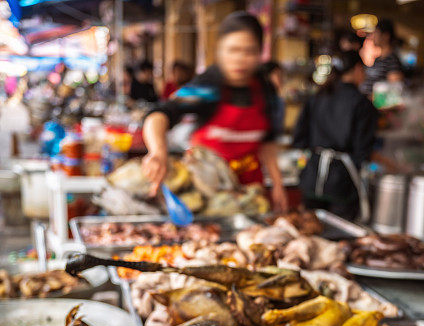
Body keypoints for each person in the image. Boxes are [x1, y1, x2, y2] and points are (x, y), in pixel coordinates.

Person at [142, 11, 288, 212]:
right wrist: (158, 152)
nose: (240, 59)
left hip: (250, 193)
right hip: (208, 194)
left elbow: (268, 141)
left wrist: (278, 185)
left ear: (260, 53)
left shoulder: (264, 88)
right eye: (233, 50)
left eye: (250, 51)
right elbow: (158, 115)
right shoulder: (208, 86)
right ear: (220, 51)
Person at [292, 50, 376, 221]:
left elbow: (299, 138)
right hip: (342, 182)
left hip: (312, 176)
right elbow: (363, 150)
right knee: (339, 237)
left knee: (309, 232)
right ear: (358, 69)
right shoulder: (361, 103)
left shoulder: (318, 96)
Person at [360, 18, 403, 96]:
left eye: (376, 33)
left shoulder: (392, 60)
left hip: (376, 106)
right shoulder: (378, 59)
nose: (372, 37)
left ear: (386, 36)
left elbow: (395, 91)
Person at [259, 60, 285, 135]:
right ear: (266, 76)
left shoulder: (277, 97)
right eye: (278, 75)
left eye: (282, 75)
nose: (281, 79)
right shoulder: (263, 98)